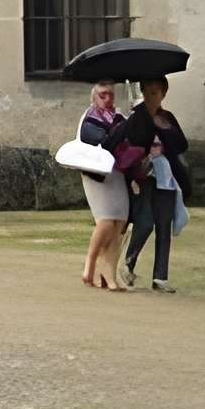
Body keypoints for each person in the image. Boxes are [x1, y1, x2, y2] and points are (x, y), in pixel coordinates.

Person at [113, 76, 190, 291]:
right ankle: (127, 265)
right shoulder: (137, 117)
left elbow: (181, 144)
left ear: (164, 93)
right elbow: (132, 142)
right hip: (143, 177)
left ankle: (160, 278)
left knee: (164, 225)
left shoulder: (168, 118)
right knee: (145, 222)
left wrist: (162, 134)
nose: (152, 96)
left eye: (156, 92)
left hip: (166, 177)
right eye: (148, 92)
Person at [76, 81, 131, 290]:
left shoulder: (119, 117)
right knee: (106, 220)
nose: (108, 99)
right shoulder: (90, 119)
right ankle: (89, 265)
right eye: (103, 95)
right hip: (96, 174)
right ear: (94, 97)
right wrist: (124, 127)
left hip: (116, 172)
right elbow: (106, 142)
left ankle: (109, 273)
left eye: (111, 95)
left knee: (120, 221)